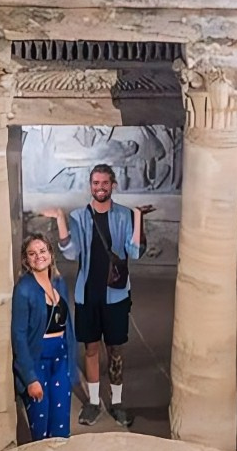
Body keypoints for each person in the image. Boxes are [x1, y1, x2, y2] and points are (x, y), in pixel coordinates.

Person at [42, 164, 153, 427]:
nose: (100, 187)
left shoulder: (124, 215)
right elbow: (71, 252)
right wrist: (60, 219)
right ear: (90, 186)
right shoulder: (80, 216)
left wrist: (138, 217)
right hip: (88, 294)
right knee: (91, 349)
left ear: (113, 185)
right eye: (95, 183)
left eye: (104, 183)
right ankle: (93, 403)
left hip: (116, 295)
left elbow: (135, 252)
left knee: (115, 350)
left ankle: (117, 403)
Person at [12, 233, 79, 441]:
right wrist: (30, 379)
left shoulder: (58, 283)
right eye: (32, 253)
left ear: (50, 253)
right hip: (37, 360)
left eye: (42, 251)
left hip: (61, 359)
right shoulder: (23, 289)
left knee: (60, 426)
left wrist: (71, 365)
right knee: (40, 426)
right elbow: (19, 336)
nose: (38, 256)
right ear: (26, 260)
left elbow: (68, 327)